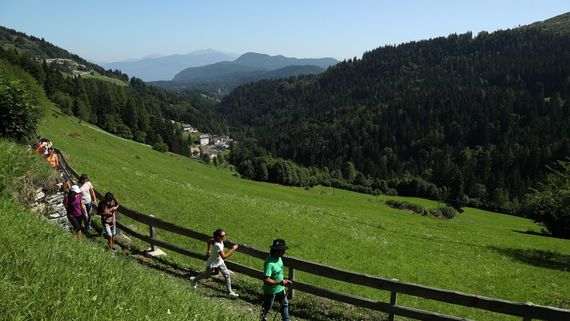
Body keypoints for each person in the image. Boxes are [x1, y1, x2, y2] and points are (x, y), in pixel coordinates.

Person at [190, 229, 239, 298]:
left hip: (220, 262)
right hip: (212, 263)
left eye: (225, 234)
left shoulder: (218, 240)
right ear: (218, 237)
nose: (225, 236)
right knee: (205, 275)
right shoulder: (217, 245)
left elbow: (209, 241)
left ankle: (230, 292)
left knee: (227, 275)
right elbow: (224, 256)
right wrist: (232, 249)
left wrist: (208, 251)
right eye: (223, 235)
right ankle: (194, 280)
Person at [260, 239, 291, 321]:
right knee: (267, 307)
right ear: (277, 251)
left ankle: (286, 320)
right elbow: (266, 280)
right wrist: (279, 282)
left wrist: (281, 282)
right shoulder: (269, 263)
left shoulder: (279, 258)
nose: (284, 252)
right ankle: (263, 319)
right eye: (283, 250)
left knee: (284, 304)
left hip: (280, 288)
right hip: (270, 291)